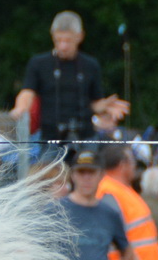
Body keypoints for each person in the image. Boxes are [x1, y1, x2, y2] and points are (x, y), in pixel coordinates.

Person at [10, 12, 129, 156]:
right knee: (49, 173)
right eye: (58, 40)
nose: (63, 46)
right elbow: (28, 92)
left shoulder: (91, 65)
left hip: (84, 136)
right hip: (51, 137)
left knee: (88, 171)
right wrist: (21, 108)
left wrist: (104, 106)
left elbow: (94, 103)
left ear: (79, 37)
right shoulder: (38, 64)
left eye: (68, 41)